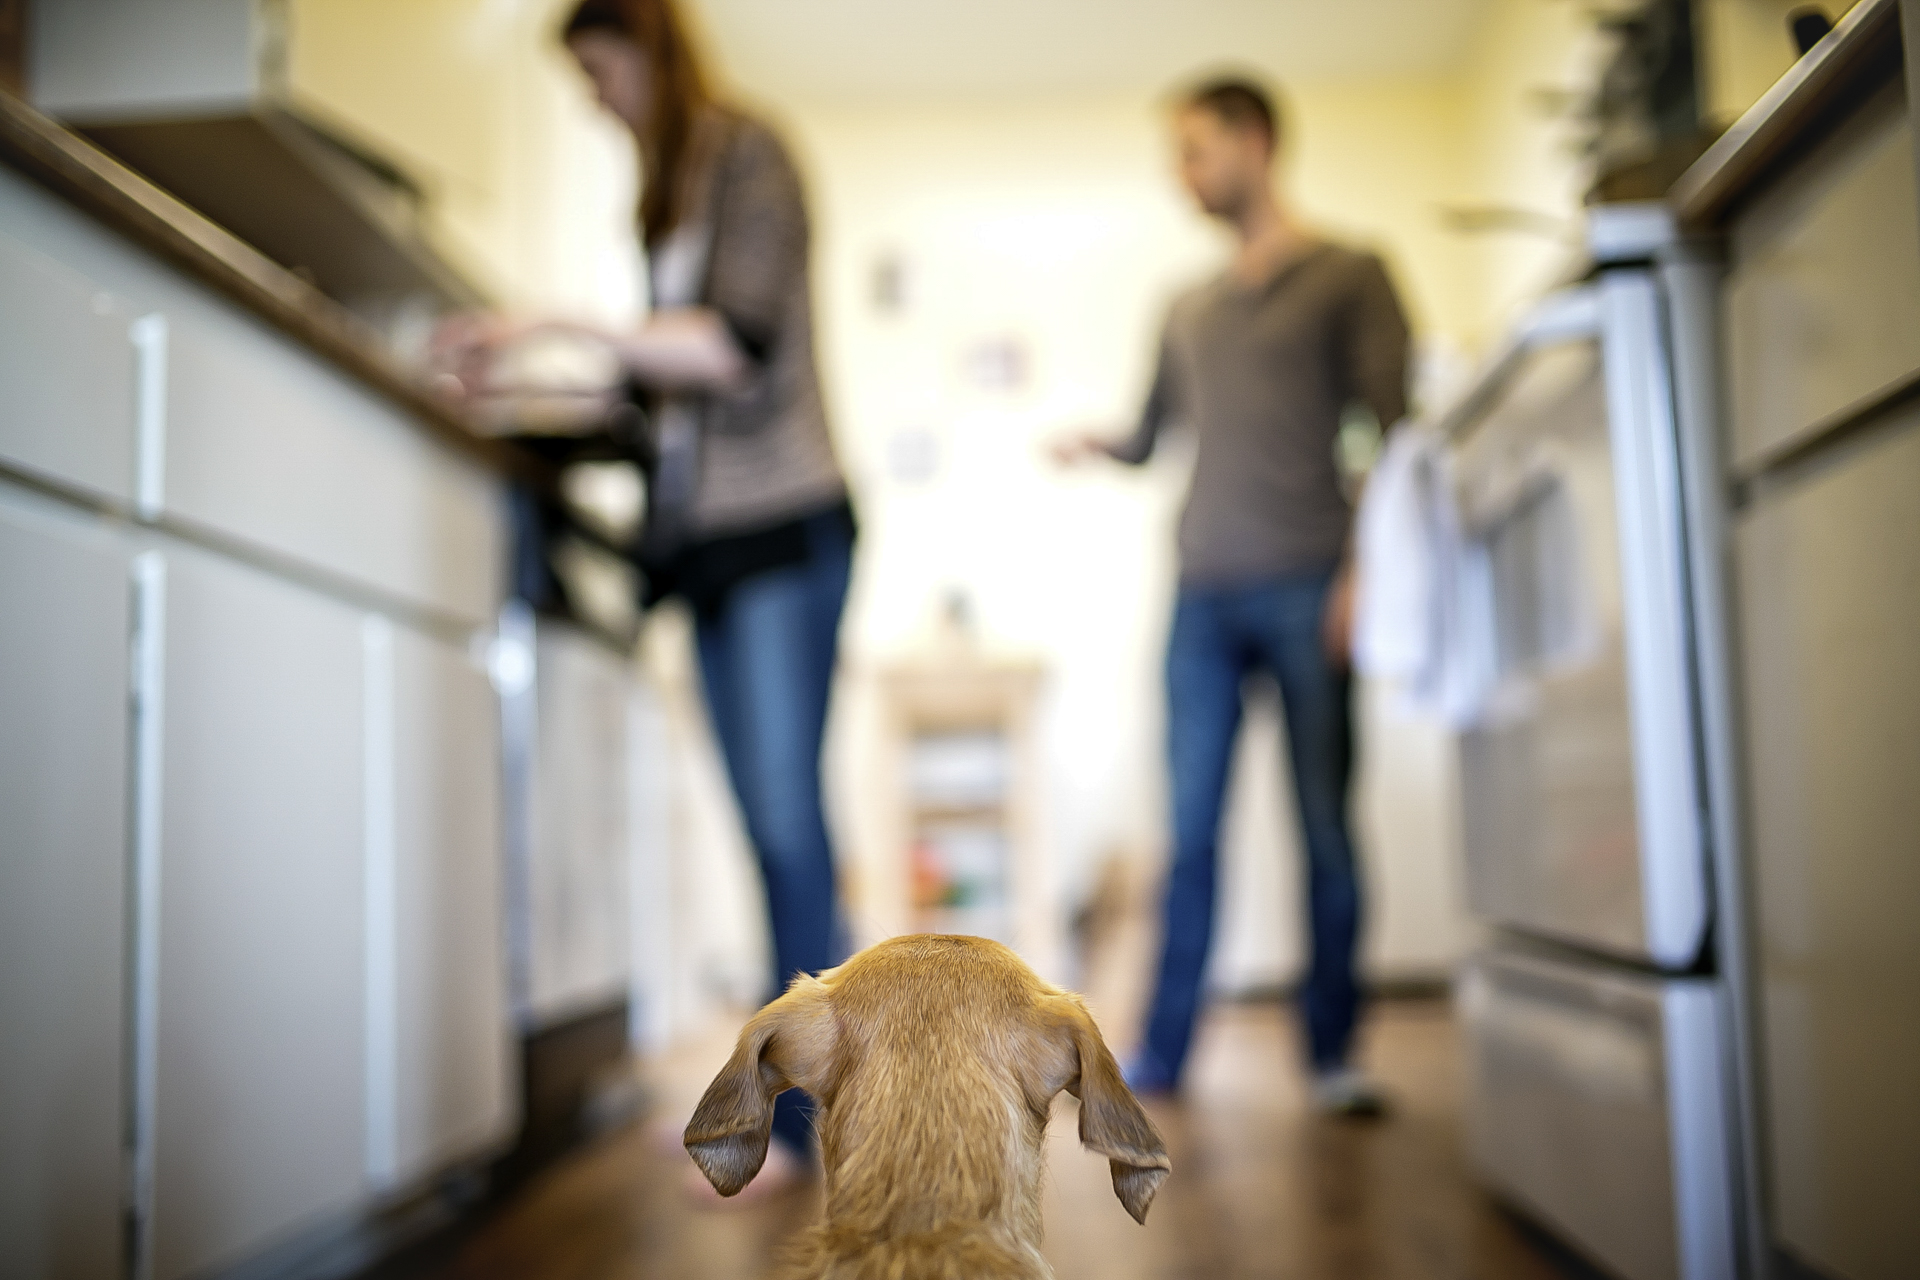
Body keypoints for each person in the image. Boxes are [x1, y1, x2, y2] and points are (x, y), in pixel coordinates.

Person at [442, 0, 852, 1194]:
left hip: (784, 526)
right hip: (714, 547)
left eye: (598, 69)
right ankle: (817, 1110)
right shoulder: (666, 197)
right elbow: (659, 394)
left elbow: (733, 345)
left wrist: (553, 320)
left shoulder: (749, 153)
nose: (593, 96)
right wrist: (531, 369)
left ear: (647, 45)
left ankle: (812, 1123)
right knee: (768, 828)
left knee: (785, 822)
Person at [1053, 77, 1409, 1116]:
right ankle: (1162, 1052)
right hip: (1201, 594)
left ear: (1256, 141)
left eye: (1198, 150)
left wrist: (1364, 576)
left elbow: (1390, 436)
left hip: (1312, 584)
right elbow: (1150, 430)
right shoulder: (1186, 307)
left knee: (1324, 828)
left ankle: (1334, 1049)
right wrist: (1098, 442)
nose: (1185, 174)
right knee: (1190, 831)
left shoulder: (1351, 275)